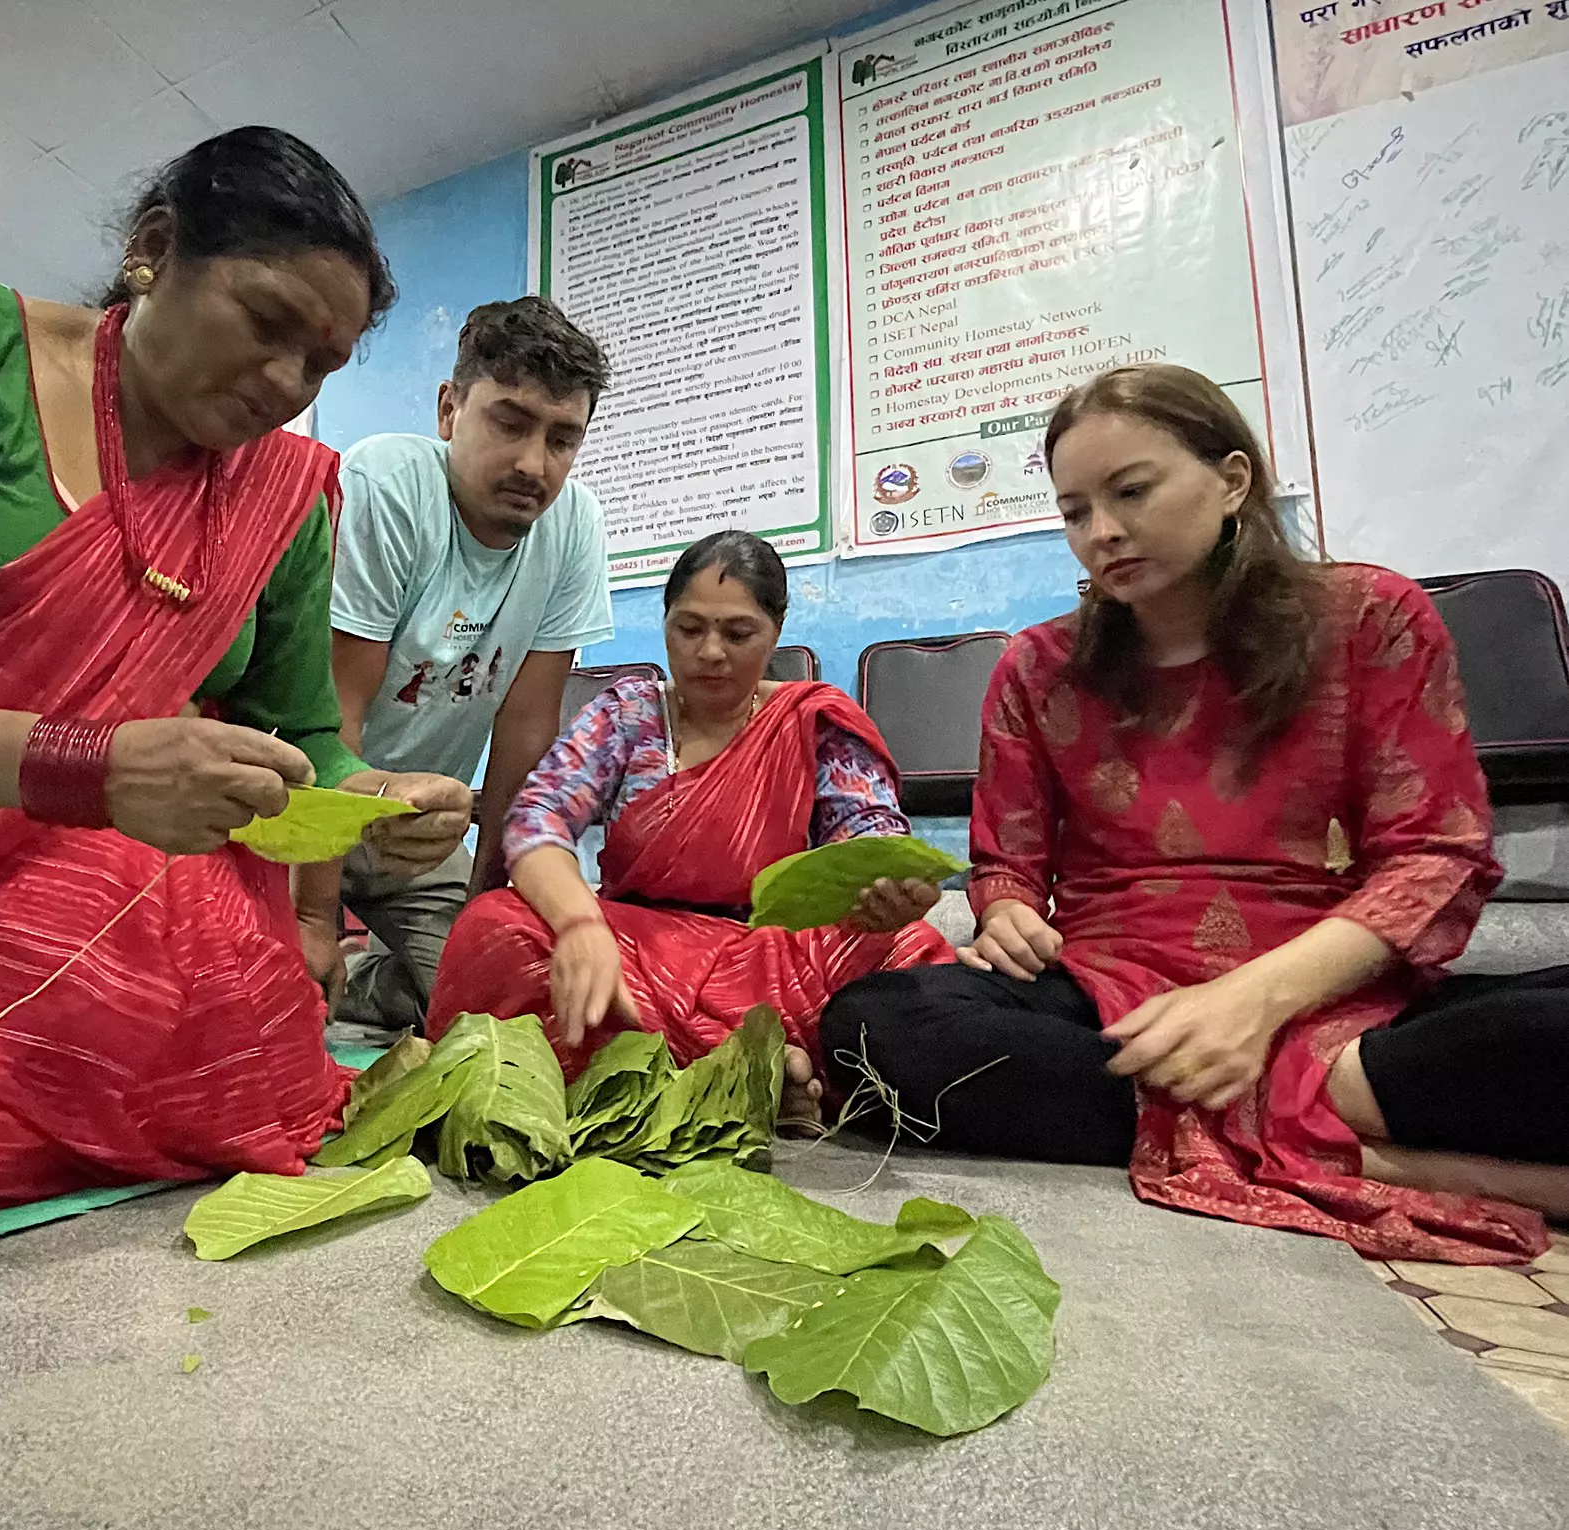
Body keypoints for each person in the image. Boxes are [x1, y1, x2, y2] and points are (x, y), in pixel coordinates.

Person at [0, 128, 474, 1219]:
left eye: (321, 365)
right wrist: (91, 767)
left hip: (122, 880)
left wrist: (372, 800)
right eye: (266, 325)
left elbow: (297, 739)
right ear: (152, 248)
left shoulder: (293, 494)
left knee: (268, 1038)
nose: (284, 384)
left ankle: (117, 1089)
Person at [820, 364, 1568, 1263]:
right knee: (875, 1027)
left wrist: (1252, 1005)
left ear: (1232, 480)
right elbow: (1009, 864)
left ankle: (1318, 1119)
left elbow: (1434, 859)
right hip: (1112, 998)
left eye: (1131, 491)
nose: (1104, 531)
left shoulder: (1369, 620)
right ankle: (1378, 1142)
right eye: (1074, 511)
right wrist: (1009, 911)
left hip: (1328, 989)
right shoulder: (1039, 667)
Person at [427, 531, 956, 1110]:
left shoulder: (810, 721)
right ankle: (747, 1068)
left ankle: (690, 1072)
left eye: (737, 633)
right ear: (665, 623)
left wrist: (889, 887)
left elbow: (869, 829)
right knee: (494, 926)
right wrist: (579, 927)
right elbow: (538, 817)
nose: (709, 652)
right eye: (689, 628)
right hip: (635, 945)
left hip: (768, 953)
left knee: (909, 948)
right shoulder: (628, 714)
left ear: (776, 630)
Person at [295, 296, 616, 1044]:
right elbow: (332, 714)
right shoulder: (386, 483)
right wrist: (309, 918)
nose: (535, 464)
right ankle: (322, 947)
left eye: (563, 439)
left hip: (417, 838)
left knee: (504, 1000)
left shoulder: (574, 528)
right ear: (450, 409)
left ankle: (371, 982)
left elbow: (527, 727)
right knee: (247, 994)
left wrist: (487, 908)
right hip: (305, 812)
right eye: (509, 423)